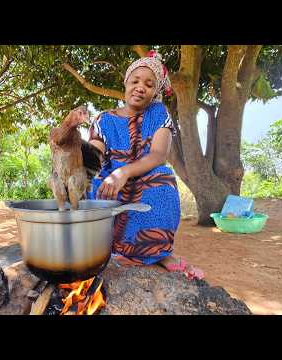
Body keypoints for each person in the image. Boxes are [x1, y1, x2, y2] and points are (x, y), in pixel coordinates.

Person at [86, 51, 204, 280]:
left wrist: (125, 171)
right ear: (126, 83)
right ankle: (112, 250)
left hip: (144, 174)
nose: (141, 87)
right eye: (135, 81)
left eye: (149, 85)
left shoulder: (159, 113)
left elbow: (159, 154)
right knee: (94, 184)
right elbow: (94, 154)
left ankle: (159, 252)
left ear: (155, 92)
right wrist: (79, 160)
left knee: (162, 181)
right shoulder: (103, 119)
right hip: (111, 179)